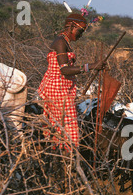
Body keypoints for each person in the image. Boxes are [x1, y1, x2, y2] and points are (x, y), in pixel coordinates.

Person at [38, 13, 105, 151]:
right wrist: (91, 66)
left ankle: (62, 160)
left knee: (61, 129)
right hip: (56, 91)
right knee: (67, 131)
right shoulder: (60, 42)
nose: (81, 35)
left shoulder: (65, 42)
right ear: (72, 26)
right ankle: (66, 160)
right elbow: (64, 70)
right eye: (80, 31)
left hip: (63, 91)